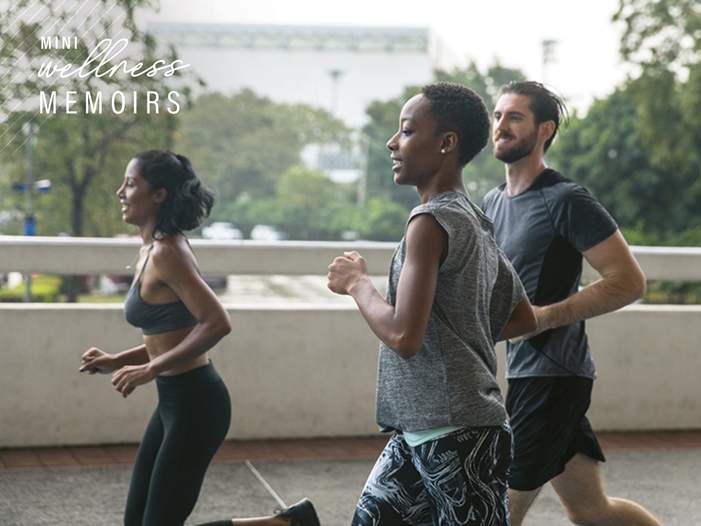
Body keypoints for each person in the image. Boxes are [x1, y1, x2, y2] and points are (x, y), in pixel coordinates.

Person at [327, 82, 541, 526]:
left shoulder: (430, 222)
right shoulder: (476, 220)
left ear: (446, 143)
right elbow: (521, 316)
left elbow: (405, 336)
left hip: (459, 433)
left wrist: (357, 284)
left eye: (406, 131)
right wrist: (456, 332)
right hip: (419, 429)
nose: (392, 143)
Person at [80, 150, 318, 526]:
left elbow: (216, 322)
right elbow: (171, 336)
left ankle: (285, 524)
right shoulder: (151, 249)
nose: (119, 193)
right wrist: (118, 360)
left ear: (158, 194)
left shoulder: (167, 252)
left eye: (129, 184)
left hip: (198, 404)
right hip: (174, 402)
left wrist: (149, 370)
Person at [482, 81, 662, 526]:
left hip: (554, 377)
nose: (501, 125)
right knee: (592, 511)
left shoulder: (565, 199)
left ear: (545, 130)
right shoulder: (491, 202)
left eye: (515, 117)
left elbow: (628, 281)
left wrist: (542, 318)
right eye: (498, 115)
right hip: (524, 374)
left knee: (497, 512)